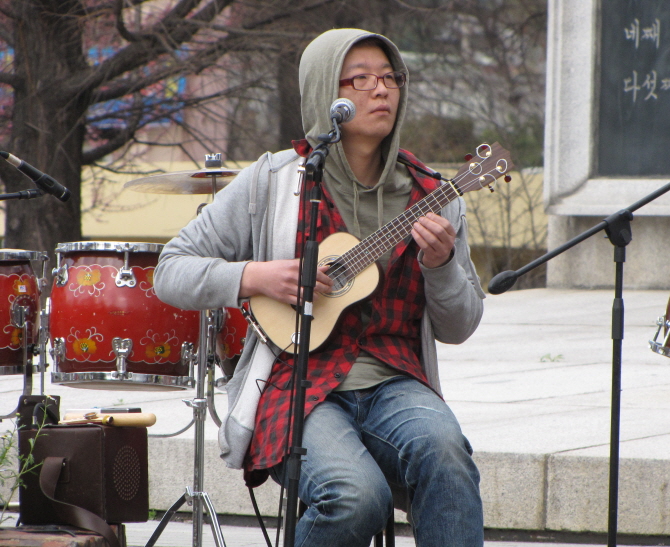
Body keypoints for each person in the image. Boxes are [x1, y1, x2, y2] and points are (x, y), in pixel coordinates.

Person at [154, 28, 485, 547]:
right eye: (361, 79)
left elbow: (461, 326)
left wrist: (441, 265)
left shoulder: (435, 195)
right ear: (323, 96)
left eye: (390, 78)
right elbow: (170, 269)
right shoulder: (275, 182)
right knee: (355, 496)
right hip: (297, 382)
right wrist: (258, 276)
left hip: (395, 379)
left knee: (449, 458)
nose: (382, 91)